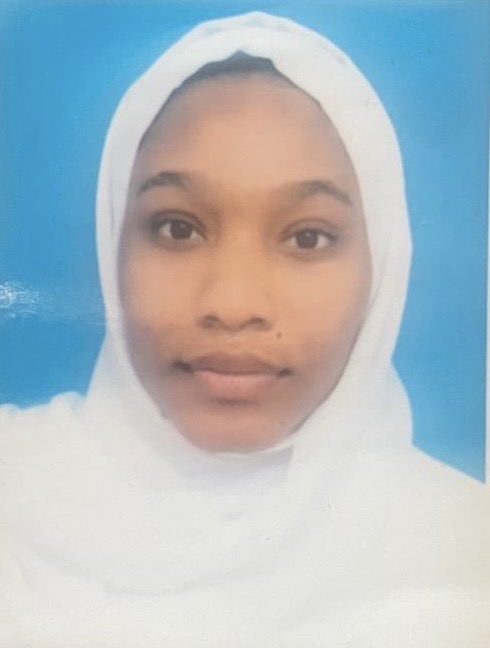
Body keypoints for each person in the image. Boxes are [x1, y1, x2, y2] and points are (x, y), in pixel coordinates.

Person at [0, 11, 488, 648]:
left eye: (307, 237)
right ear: (112, 240)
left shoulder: (466, 550)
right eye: (178, 228)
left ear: (383, 267)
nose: (232, 305)